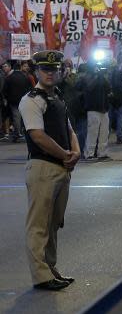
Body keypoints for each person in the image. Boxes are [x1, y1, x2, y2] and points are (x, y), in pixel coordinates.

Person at [19, 50, 81, 290]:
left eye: (54, 69)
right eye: (45, 69)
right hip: (43, 168)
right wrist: (67, 155)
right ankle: (41, 275)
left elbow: (70, 130)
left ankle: (50, 269)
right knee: (39, 225)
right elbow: (38, 136)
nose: (50, 73)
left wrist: (75, 153)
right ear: (36, 72)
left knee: (53, 224)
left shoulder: (57, 98)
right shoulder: (31, 100)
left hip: (60, 168)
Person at [3, 60, 34, 142]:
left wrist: (6, 98)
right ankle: (26, 132)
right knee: (24, 117)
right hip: (25, 99)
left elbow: (4, 90)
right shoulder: (25, 77)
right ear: (20, 68)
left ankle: (18, 133)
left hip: (13, 101)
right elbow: (30, 88)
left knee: (16, 116)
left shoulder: (9, 77)